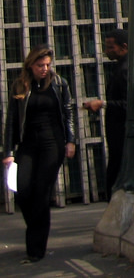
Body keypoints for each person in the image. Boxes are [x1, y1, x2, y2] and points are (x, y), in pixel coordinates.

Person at [3, 44, 76, 263]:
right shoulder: (20, 85)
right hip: (27, 144)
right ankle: (35, 230)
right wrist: (8, 151)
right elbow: (12, 120)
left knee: (42, 194)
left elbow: (67, 113)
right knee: (23, 190)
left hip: (52, 143)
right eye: (39, 65)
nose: (44, 69)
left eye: (47, 65)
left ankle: (35, 248)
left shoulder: (59, 84)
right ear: (31, 65)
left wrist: (70, 141)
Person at [84, 28, 129, 199]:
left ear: (123, 47)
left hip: (122, 132)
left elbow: (128, 103)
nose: (107, 51)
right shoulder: (122, 67)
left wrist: (103, 104)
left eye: (111, 47)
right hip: (118, 132)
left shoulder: (125, 69)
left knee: (116, 171)